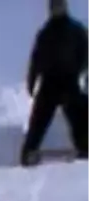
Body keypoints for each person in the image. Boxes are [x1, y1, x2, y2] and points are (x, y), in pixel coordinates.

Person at [20, 0, 89, 165]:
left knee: (80, 115)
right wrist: (32, 80)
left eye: (59, 6)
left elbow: (87, 52)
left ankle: (85, 147)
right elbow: (36, 59)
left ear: (65, 8)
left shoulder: (76, 30)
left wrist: (83, 72)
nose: (56, 9)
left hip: (70, 80)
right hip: (49, 83)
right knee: (39, 119)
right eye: (54, 7)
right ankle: (29, 151)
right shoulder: (45, 33)